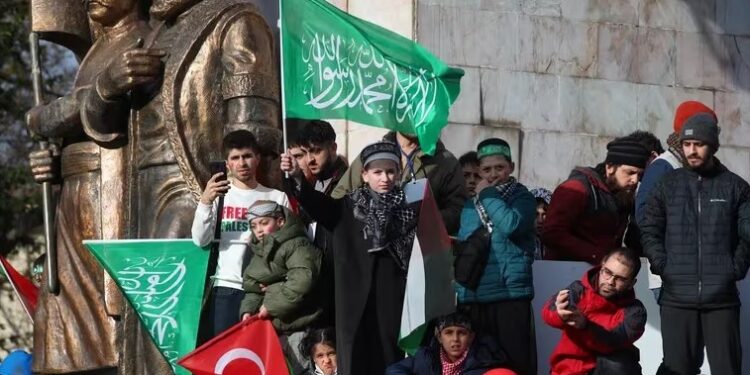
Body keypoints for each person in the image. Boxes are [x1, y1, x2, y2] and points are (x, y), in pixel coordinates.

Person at [24, 0, 151, 372]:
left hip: (108, 197)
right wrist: (55, 164)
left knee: (108, 342)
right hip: (74, 201)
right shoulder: (98, 52)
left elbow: (111, 122)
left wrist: (51, 116)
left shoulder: (143, 40)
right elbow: (54, 120)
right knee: (65, 348)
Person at [281, 141, 418, 375]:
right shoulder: (347, 207)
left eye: (390, 171)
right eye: (377, 172)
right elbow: (315, 204)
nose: (384, 178)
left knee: (389, 360)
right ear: (364, 175)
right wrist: (297, 176)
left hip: (392, 301)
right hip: (353, 304)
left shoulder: (411, 208)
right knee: (354, 359)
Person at [641, 110, 750, 375]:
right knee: (678, 370)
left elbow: (747, 233)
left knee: (728, 369)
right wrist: (664, 266)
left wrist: (734, 269)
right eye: (687, 144)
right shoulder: (666, 184)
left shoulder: (736, 187)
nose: (692, 150)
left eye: (698, 144)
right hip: (677, 297)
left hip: (721, 299)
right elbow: (648, 229)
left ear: (712, 146)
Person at [192, 130, 290, 338]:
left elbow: (290, 245)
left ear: (257, 159)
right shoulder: (219, 197)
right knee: (226, 360)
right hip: (226, 289)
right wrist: (205, 201)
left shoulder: (276, 197)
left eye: (247, 156)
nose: (242, 163)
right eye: (235, 158)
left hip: (264, 291)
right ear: (227, 164)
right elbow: (200, 240)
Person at [454, 138, 537, 375]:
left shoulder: (522, 198)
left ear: (511, 167)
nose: (492, 175)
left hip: (509, 295)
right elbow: (465, 249)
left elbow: (511, 225)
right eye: (487, 169)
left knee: (514, 364)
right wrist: (462, 295)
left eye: (499, 168)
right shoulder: (470, 206)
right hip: (475, 297)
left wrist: (488, 194)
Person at [239, 201, 322, 373]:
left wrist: (270, 304)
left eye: (264, 223)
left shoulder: (297, 245)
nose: (259, 230)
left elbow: (302, 282)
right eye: (254, 226)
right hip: (275, 328)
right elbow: (253, 285)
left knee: (304, 370)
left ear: (280, 221)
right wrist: (248, 310)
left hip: (300, 325)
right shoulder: (258, 252)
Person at [332, 131, 466, 234]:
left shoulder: (445, 162)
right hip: (371, 252)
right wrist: (368, 217)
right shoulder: (372, 155)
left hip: (419, 256)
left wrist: (423, 221)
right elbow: (339, 198)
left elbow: (459, 210)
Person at [541, 137, 651, 263]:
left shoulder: (624, 196)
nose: (635, 180)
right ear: (610, 167)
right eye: (630, 172)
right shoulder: (577, 188)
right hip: (565, 271)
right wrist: (596, 255)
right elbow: (552, 233)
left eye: (640, 175)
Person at [283, 119, 349, 327]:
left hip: (341, 282)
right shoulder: (315, 182)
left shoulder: (348, 180)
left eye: (316, 151)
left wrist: (299, 181)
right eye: (305, 152)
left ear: (333, 148)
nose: (310, 160)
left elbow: (330, 212)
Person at [542, 247, 646, 375]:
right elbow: (548, 311)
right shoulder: (578, 290)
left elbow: (614, 341)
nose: (610, 282)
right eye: (607, 272)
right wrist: (560, 314)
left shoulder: (634, 311)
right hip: (568, 369)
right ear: (602, 265)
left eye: (620, 279)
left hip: (606, 369)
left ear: (631, 283)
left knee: (621, 365)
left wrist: (585, 326)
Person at [386, 312, 516, 375]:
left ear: (471, 337)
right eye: (448, 333)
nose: (455, 339)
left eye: (462, 333)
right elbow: (393, 370)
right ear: (439, 337)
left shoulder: (485, 361)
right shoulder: (426, 357)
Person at [529, 187, 552, 260]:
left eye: (544, 215)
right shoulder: (523, 243)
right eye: (536, 214)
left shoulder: (556, 244)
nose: (540, 220)